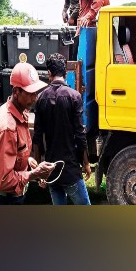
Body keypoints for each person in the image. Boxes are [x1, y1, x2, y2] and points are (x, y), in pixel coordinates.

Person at [0, 62, 55, 205]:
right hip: (7, 200)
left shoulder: (20, 112)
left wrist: (29, 162)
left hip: (15, 196)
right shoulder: (7, 127)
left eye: (36, 93)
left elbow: (16, 153)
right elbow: (3, 180)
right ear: (16, 92)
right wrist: (33, 174)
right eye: (30, 93)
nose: (35, 98)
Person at [33, 54, 91, 205]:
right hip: (70, 168)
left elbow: (37, 138)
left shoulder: (40, 99)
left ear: (49, 74)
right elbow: (80, 134)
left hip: (51, 169)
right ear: (65, 73)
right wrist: (85, 163)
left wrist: (40, 171)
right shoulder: (74, 96)